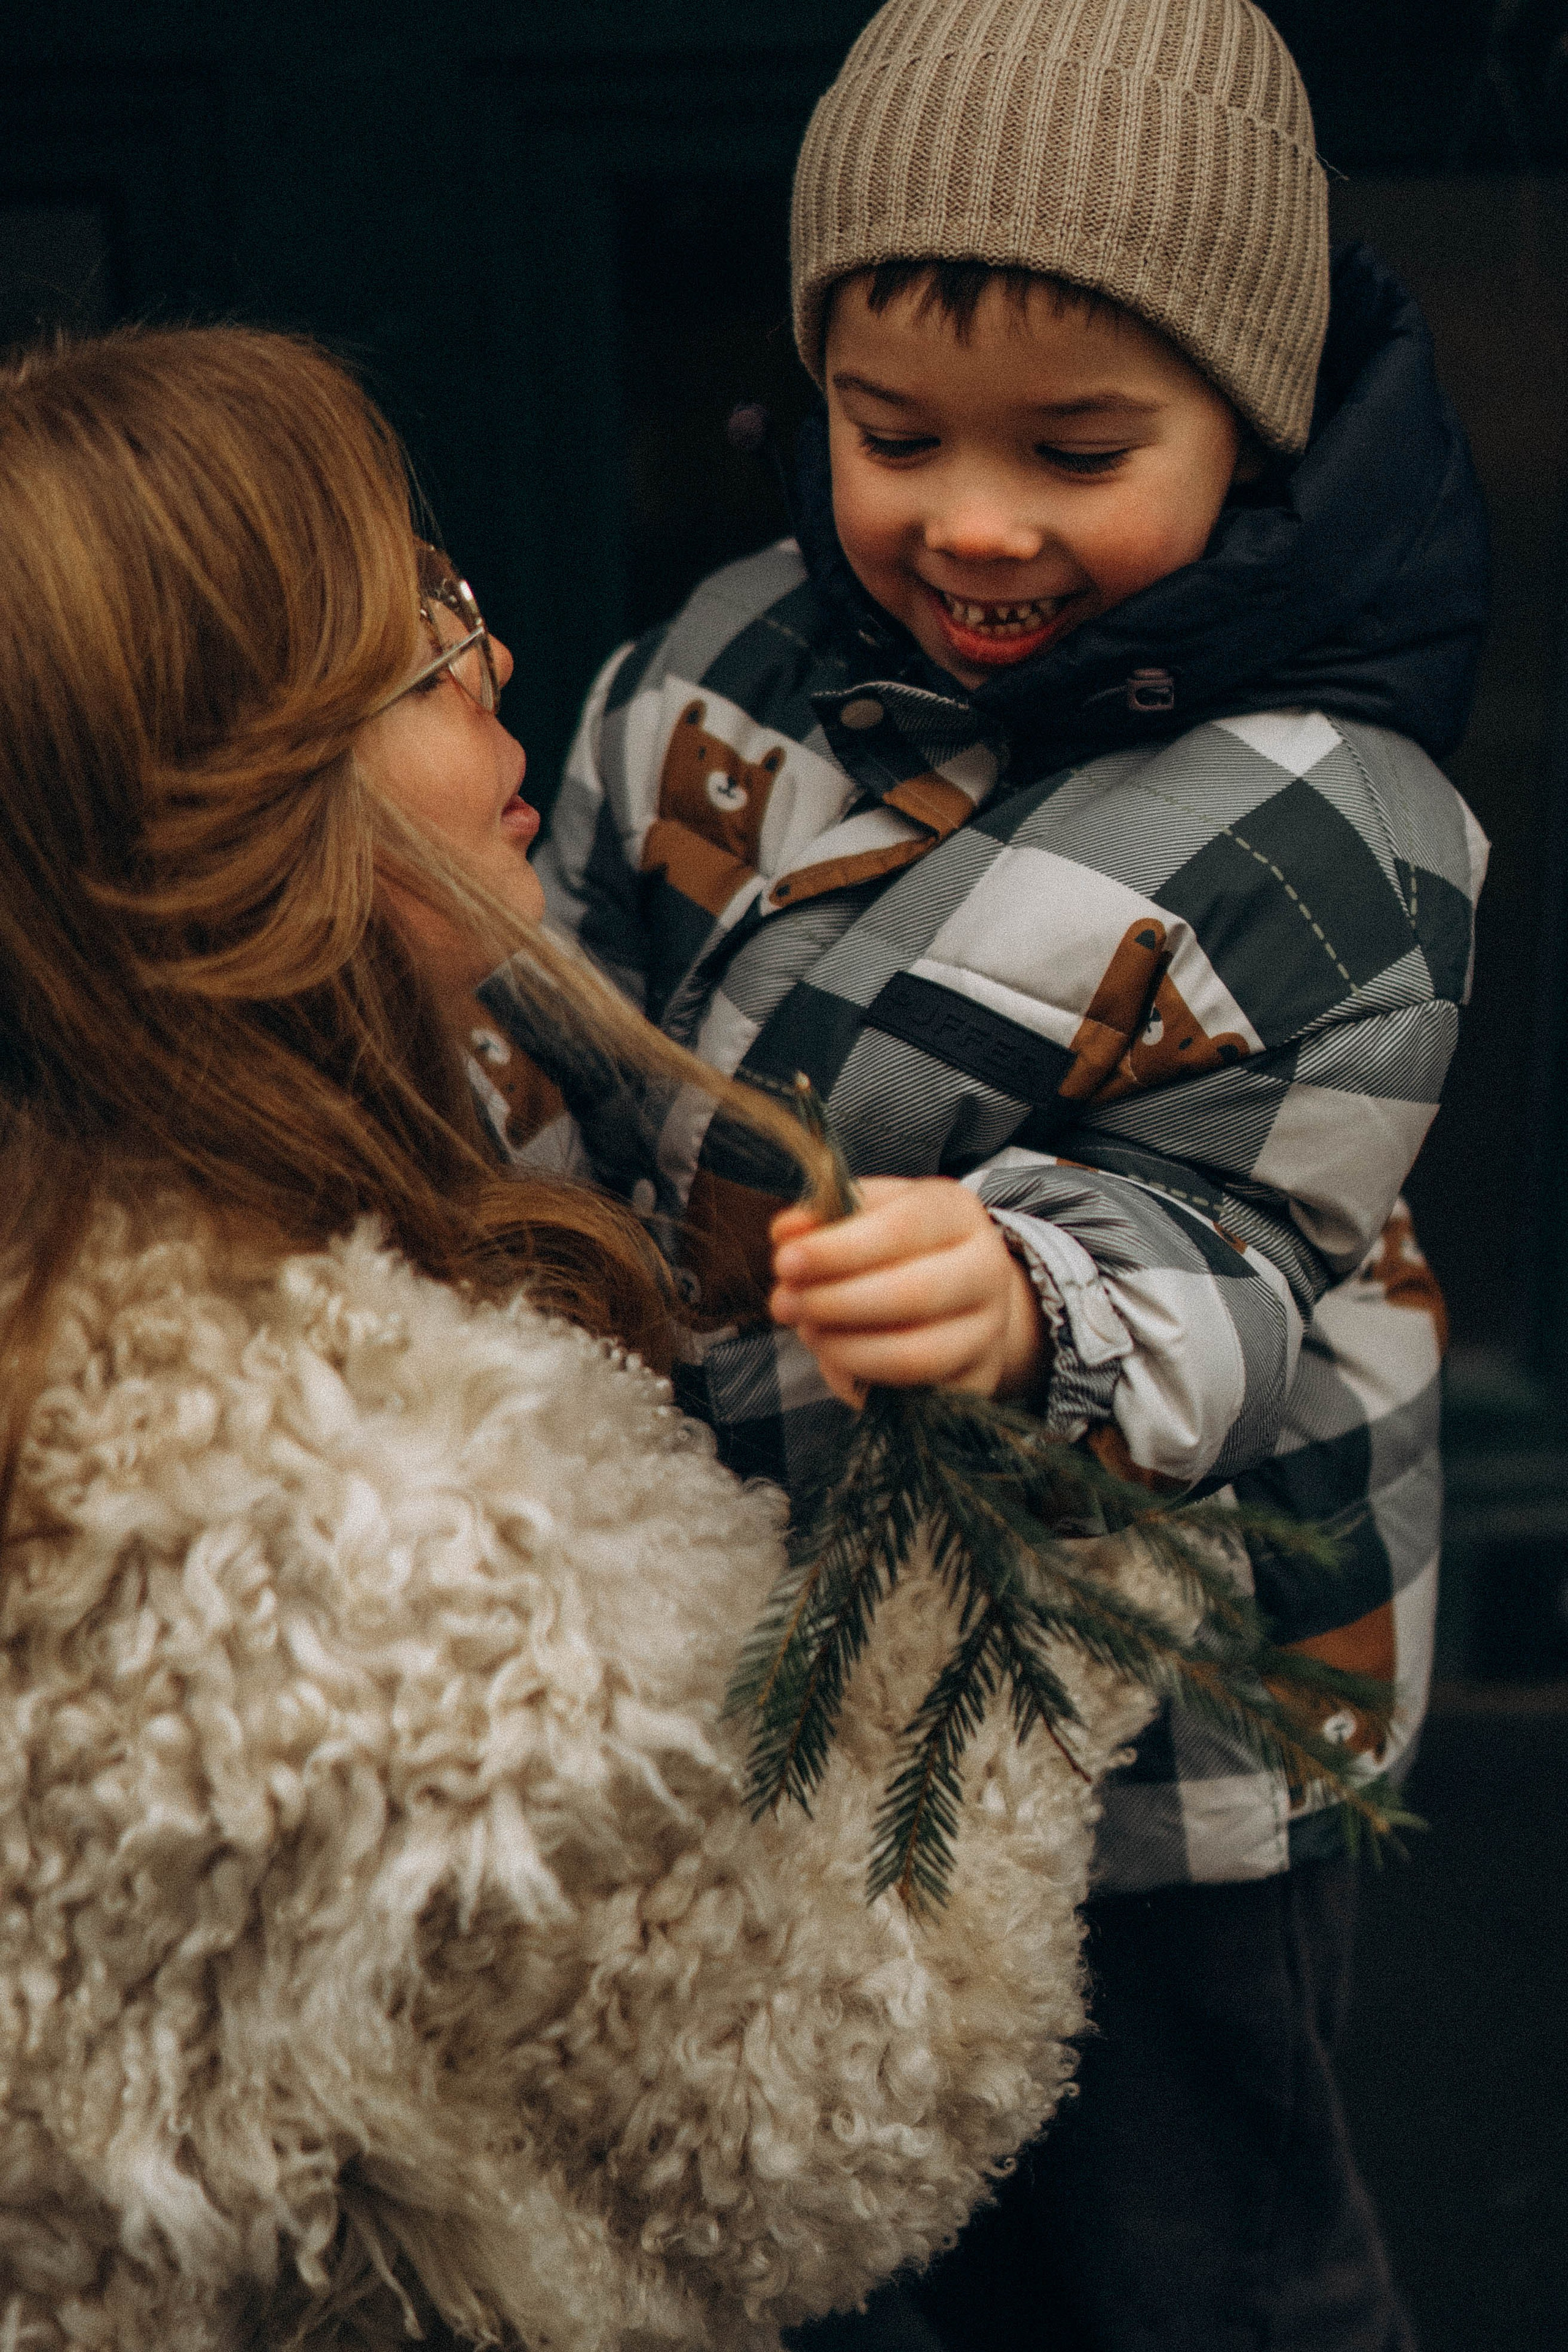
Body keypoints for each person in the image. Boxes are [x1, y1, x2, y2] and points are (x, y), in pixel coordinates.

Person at [0, 325, 1167, 2352]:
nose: (500, 664)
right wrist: (1070, 1532)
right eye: (422, 633)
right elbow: (821, 2113)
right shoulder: (384, 1533)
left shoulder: (101, 1288)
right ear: (258, 788)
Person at [532, 2, 1492, 2345]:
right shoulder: (732, 657)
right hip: (785, 1626)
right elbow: (556, 981)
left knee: (1193, 2236)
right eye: (892, 435)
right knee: (836, 2188)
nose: (970, 518)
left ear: (1248, 433)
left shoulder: (1332, 833)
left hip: (1175, 1701)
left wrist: (1041, 1289)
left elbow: (1249, 1242)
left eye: (1079, 451)